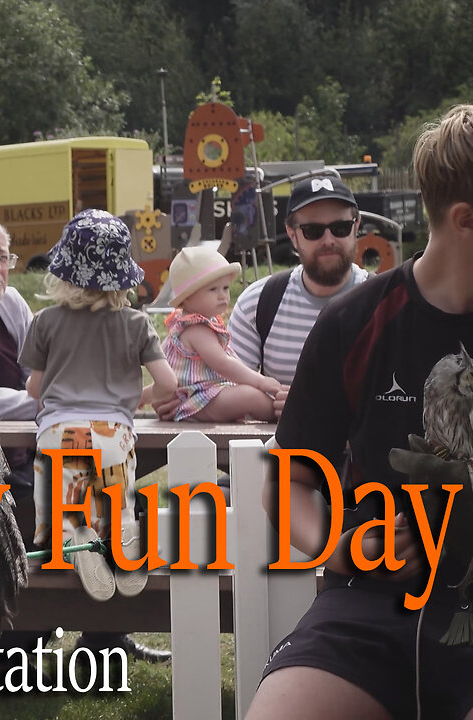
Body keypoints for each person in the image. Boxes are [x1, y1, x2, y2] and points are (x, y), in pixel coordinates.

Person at [246, 105, 473, 720]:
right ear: (464, 218)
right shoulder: (356, 321)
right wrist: (340, 547)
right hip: (372, 607)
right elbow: (287, 482)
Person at [0, 211, 170, 664]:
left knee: (95, 506)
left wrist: (68, 402)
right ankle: (14, 646)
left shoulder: (12, 303)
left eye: (2, 256)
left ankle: (104, 637)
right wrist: (83, 401)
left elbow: (46, 373)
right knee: (88, 508)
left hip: (32, 449)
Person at [20, 209, 178, 602]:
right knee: (117, 504)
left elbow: (35, 389)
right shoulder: (136, 323)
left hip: (58, 433)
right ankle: (123, 537)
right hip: (113, 435)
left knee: (61, 513)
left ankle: (75, 543)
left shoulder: (45, 321)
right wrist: (136, 400)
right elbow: (168, 384)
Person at [228, 176, 370, 390]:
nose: (328, 240)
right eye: (313, 231)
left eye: (340, 228)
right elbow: (227, 390)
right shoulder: (257, 304)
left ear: (356, 226)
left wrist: (301, 405)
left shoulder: (385, 303)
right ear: (292, 235)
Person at [161, 246, 280, 422]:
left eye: (225, 288)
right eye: (213, 289)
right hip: (200, 400)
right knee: (249, 396)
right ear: (187, 297)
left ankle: (282, 410)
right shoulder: (196, 328)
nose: (222, 296)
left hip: (206, 396)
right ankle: (285, 417)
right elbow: (222, 363)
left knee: (249, 393)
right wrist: (261, 381)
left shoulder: (191, 324)